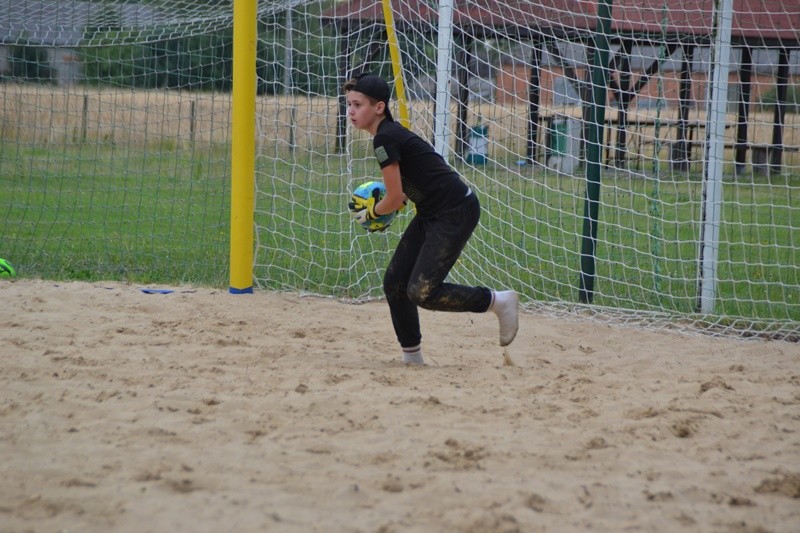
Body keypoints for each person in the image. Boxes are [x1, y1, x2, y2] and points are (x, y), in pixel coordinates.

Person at [344, 73, 519, 365]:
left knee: (422, 292)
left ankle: (498, 302)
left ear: (379, 107)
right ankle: (412, 357)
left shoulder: (385, 138)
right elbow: (412, 183)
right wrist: (393, 203)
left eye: (357, 105)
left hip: (455, 211)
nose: (351, 111)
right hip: (434, 211)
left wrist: (373, 213)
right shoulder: (388, 134)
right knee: (395, 282)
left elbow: (394, 198)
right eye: (349, 104)